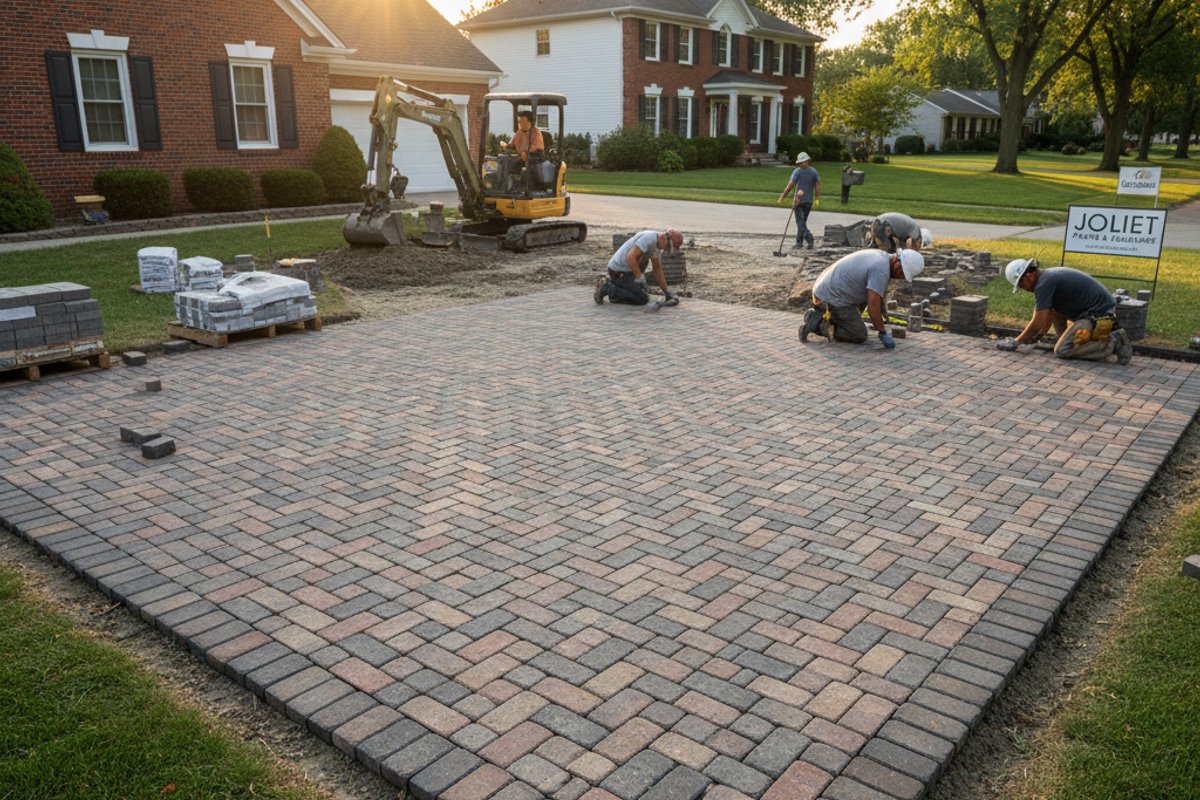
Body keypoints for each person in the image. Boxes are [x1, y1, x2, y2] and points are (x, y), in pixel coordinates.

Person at [997, 259, 1133, 364]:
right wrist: (1038, 337)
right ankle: (1065, 340)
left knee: (1062, 351)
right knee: (1055, 310)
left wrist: (1016, 342)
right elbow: (1047, 314)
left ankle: (1113, 342)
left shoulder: (1044, 283)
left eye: (1021, 285)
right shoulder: (1047, 277)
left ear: (1028, 276)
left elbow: (1037, 322)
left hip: (1099, 315)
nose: (1024, 289)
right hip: (1092, 312)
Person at [799, 248, 924, 347]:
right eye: (901, 273)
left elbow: (877, 296)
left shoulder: (882, 257)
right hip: (829, 297)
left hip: (827, 290)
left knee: (868, 297)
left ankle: (831, 317)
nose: (899, 277)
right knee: (859, 335)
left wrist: (884, 317)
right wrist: (882, 332)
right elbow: (872, 307)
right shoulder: (880, 270)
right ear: (897, 262)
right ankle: (816, 323)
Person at [595, 229, 684, 307]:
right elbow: (630, 257)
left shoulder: (657, 245)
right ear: (664, 238)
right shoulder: (649, 239)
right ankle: (606, 288)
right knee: (642, 299)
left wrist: (666, 292)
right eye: (668, 247)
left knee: (641, 293)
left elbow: (657, 269)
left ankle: (617, 292)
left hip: (628, 271)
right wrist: (639, 277)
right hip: (617, 271)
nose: (665, 250)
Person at [777, 152, 821, 250]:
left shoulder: (802, 172)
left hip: (803, 202)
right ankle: (799, 242)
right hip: (801, 201)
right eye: (800, 162)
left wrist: (817, 198)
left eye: (803, 162)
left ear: (807, 161)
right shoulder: (807, 171)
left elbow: (817, 185)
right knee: (801, 223)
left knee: (801, 223)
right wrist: (783, 196)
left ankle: (809, 239)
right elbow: (791, 185)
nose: (802, 164)